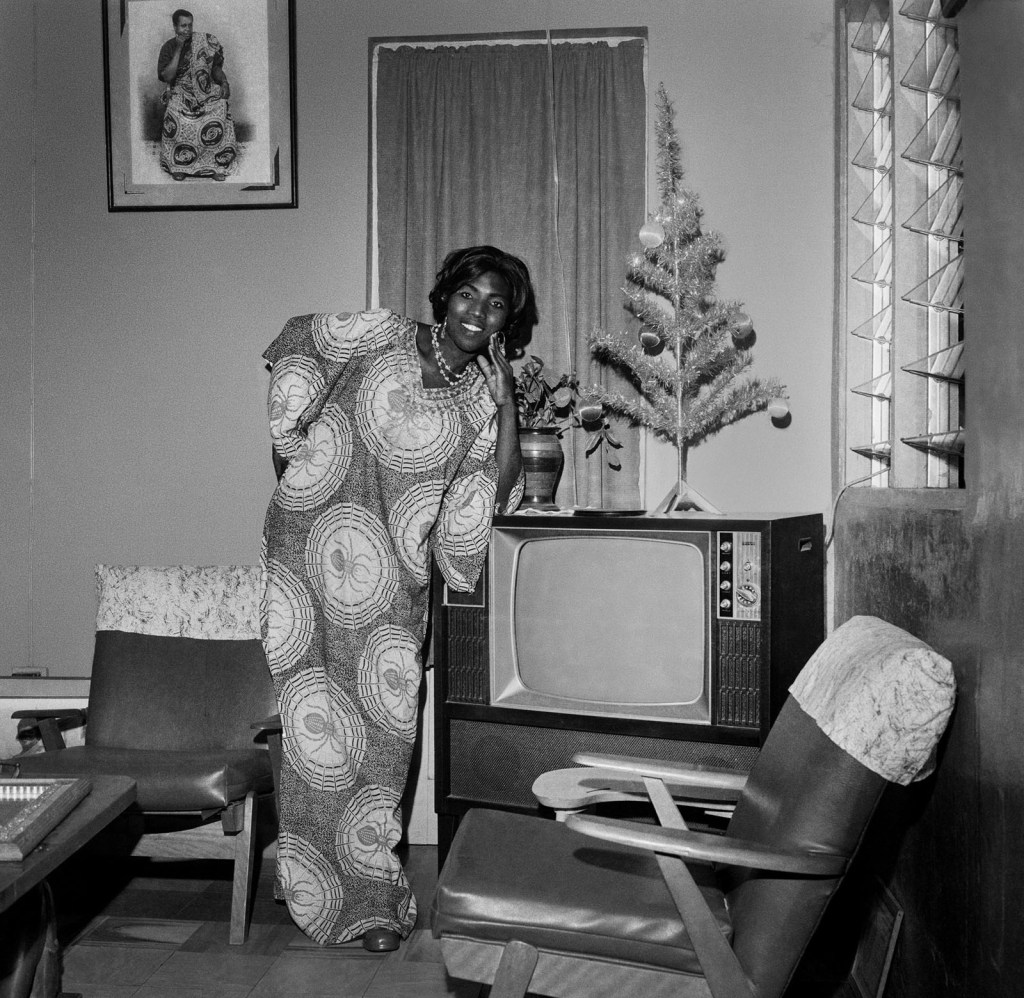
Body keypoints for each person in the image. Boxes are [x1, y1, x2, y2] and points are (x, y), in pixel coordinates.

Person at [260, 246, 533, 952]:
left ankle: (373, 900)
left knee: (384, 741)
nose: (478, 310)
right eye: (468, 294)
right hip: (312, 558)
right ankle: (315, 886)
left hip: (393, 589)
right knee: (315, 732)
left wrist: (506, 406)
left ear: (509, 320)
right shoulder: (380, 334)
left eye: (496, 303)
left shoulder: (480, 396)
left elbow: (488, 493)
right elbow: (297, 341)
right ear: (445, 296)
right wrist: (296, 445)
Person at [156, 9, 237, 181]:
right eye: (183, 26)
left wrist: (224, 83)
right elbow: (167, 77)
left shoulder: (204, 42)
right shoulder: (169, 47)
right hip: (180, 90)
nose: (187, 29)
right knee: (175, 112)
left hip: (204, 90)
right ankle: (178, 165)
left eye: (190, 25)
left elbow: (215, 69)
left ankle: (217, 165)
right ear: (175, 27)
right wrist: (178, 48)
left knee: (221, 106)